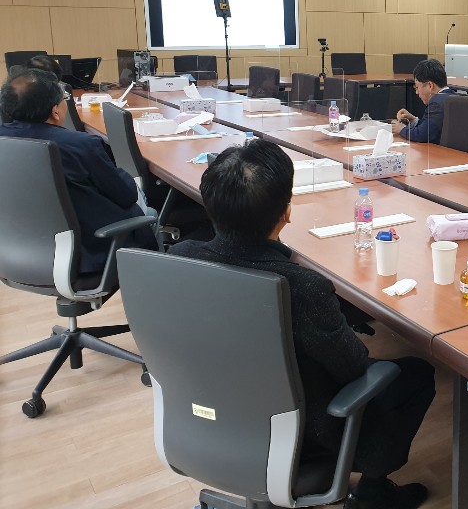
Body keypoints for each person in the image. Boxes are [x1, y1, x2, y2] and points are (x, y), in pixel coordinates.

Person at [169, 140, 436, 509]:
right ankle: (373, 490)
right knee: (415, 374)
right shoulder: (302, 287)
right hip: (302, 436)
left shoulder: (180, 259)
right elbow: (353, 366)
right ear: (286, 212)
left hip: (206, 418)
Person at [0, 68, 154, 274]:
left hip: (17, 253)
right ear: (55, 111)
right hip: (90, 253)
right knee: (146, 207)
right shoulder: (81, 145)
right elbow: (126, 195)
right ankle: (157, 276)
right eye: (64, 98)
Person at [391, 59, 455, 144]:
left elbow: (423, 135)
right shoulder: (451, 97)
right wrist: (413, 120)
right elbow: (432, 128)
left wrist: (402, 129)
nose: (417, 92)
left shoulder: (437, 103)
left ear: (430, 86)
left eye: (417, 87)